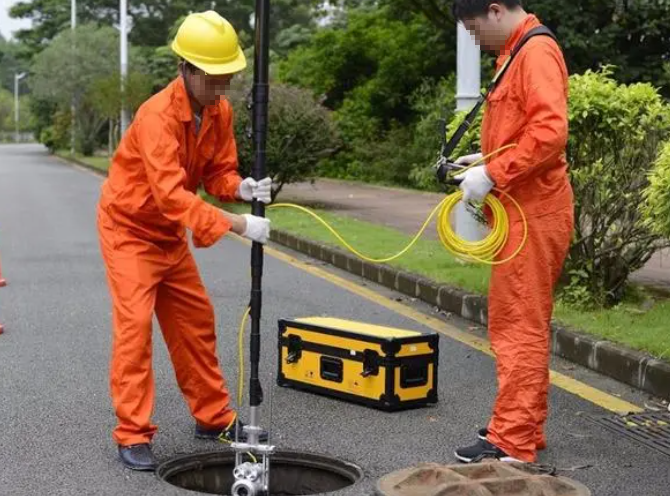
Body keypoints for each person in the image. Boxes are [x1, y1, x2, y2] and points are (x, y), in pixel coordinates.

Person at [97, 11, 272, 471]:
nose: (222, 88)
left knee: (195, 322)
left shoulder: (218, 110)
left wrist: (240, 188)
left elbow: (216, 171)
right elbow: (171, 195)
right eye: (214, 79)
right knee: (135, 332)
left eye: (228, 78)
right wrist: (237, 225)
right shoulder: (156, 116)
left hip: (169, 234)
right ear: (187, 69)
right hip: (129, 230)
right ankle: (133, 433)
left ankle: (212, 417)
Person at [450, 0, 574, 464]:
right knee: (523, 322)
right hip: (523, 208)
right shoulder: (516, 53)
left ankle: (513, 441)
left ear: (496, 9)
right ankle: (523, 427)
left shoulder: (534, 52)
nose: (475, 38)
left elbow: (549, 130)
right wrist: (483, 163)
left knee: (518, 327)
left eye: (474, 27)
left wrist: (493, 173)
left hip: (535, 211)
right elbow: (522, 131)